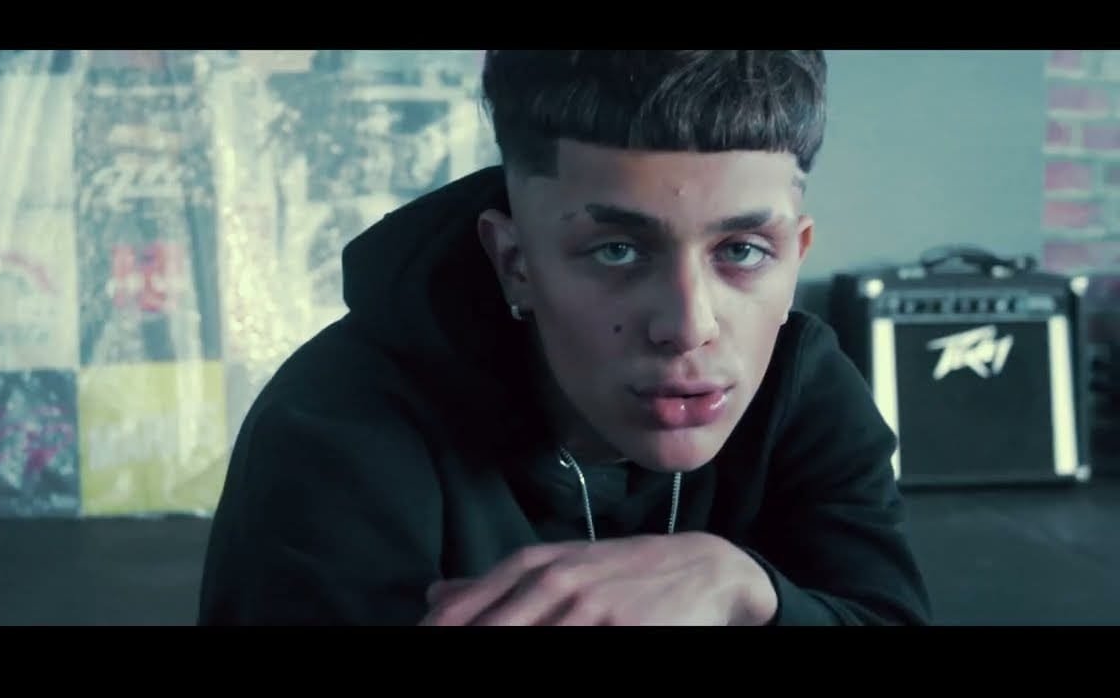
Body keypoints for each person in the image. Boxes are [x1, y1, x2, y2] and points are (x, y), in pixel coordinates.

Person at [198, 50, 932, 626]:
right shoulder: (336, 424)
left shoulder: (803, 383)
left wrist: (744, 588)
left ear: (796, 254)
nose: (688, 327)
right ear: (515, 264)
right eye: (618, 250)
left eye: (741, 250)